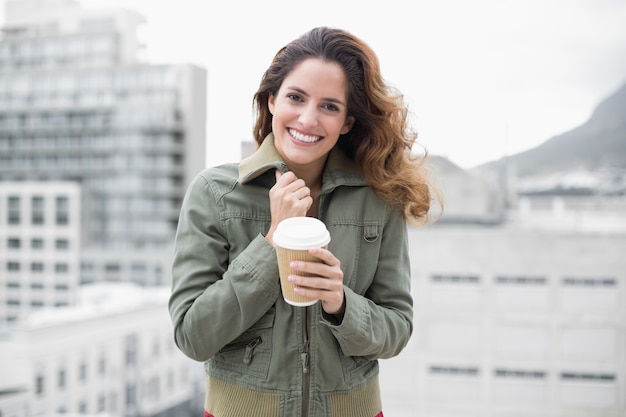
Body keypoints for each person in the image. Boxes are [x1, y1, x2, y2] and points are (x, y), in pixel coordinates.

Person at [169, 26, 436, 417]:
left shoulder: (378, 198)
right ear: (272, 100)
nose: (309, 119)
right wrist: (271, 243)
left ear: (347, 121)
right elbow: (192, 336)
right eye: (296, 97)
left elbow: (397, 329)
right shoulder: (214, 192)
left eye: (330, 106)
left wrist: (341, 304)